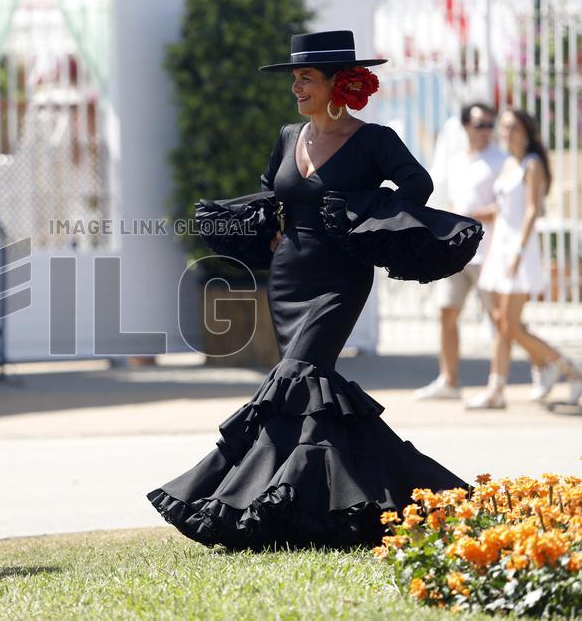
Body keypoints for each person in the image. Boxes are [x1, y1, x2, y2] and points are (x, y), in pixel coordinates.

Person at [147, 31, 467, 551]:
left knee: (298, 377)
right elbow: (272, 190)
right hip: (288, 277)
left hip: (340, 279)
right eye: (294, 78)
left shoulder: (375, 139)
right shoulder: (288, 135)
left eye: (306, 78)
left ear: (340, 84)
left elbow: (417, 185)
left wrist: (361, 215)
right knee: (309, 392)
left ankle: (253, 500)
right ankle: (333, 507)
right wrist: (273, 225)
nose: (296, 87)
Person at [467, 109, 582, 409]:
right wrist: (476, 214)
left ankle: (567, 367)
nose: (507, 133)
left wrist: (518, 252)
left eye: (513, 128)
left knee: (511, 325)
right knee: (502, 322)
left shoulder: (532, 165)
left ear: (527, 132)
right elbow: (503, 208)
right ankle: (503, 386)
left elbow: (532, 209)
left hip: (520, 249)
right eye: (504, 127)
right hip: (500, 247)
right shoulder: (508, 164)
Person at [414, 102, 504, 400]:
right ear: (466, 126)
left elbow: (506, 205)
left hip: (489, 252)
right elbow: (451, 202)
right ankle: (449, 381)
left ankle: (505, 380)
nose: (486, 131)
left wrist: (472, 216)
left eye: (490, 125)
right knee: (446, 312)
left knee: (501, 320)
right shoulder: (455, 162)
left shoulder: (501, 160)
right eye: (480, 125)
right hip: (458, 252)